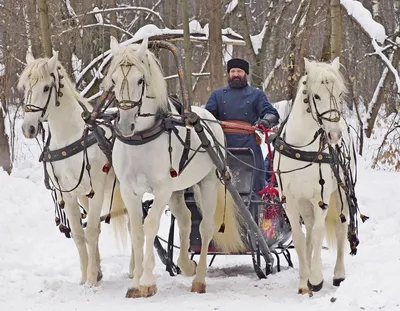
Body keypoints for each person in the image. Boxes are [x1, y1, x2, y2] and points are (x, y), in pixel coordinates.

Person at [205, 58, 279, 193]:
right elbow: (207, 116)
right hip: (222, 144)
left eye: (239, 71)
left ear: (246, 74)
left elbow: (272, 113)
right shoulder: (217, 95)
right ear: (228, 74)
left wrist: (265, 122)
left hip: (248, 145)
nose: (236, 74)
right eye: (232, 71)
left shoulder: (257, 94)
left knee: (253, 185)